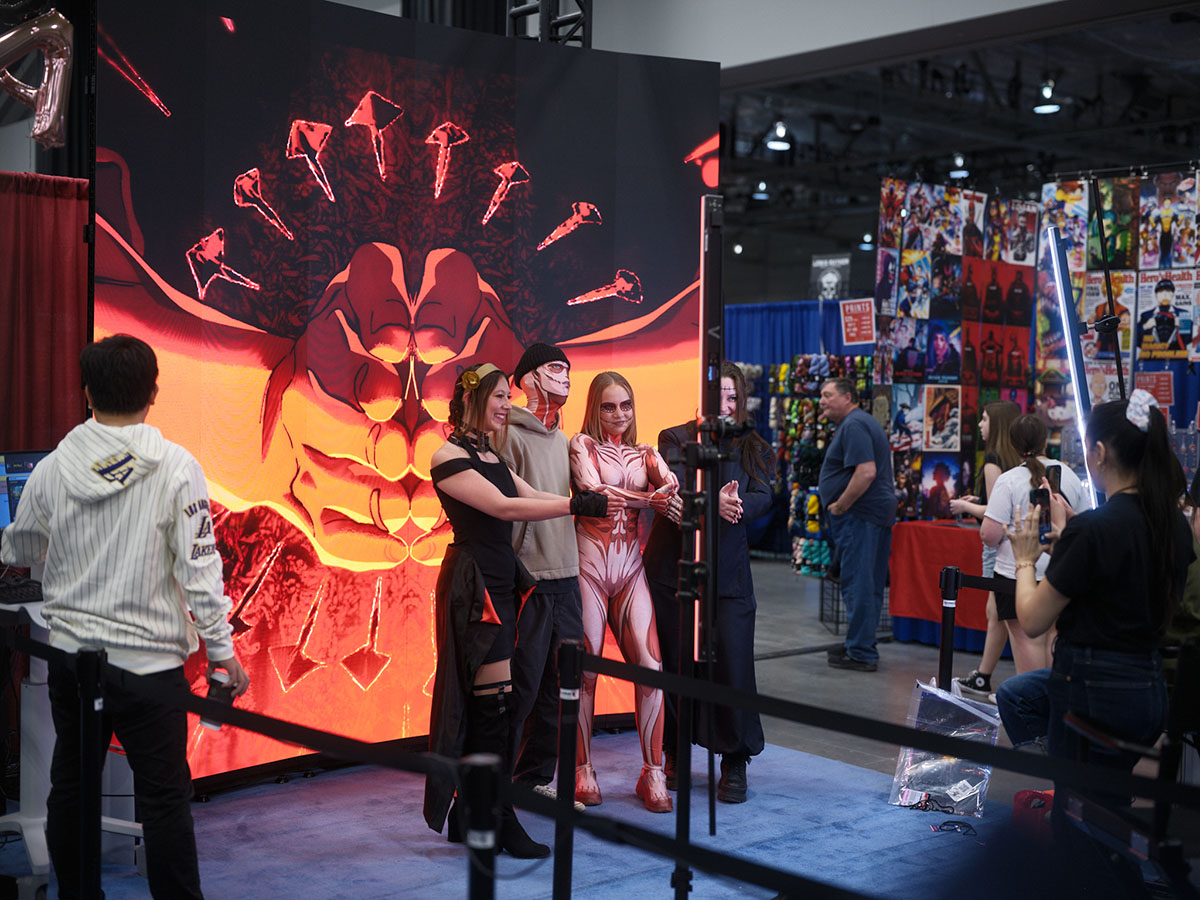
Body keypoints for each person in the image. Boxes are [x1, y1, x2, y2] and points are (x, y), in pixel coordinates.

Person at [0, 334, 251, 900]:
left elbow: (21, 546)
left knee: (72, 790)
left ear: (87, 392)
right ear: (154, 392)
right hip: (151, 669)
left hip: (73, 661)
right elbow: (200, 568)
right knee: (164, 799)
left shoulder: (54, 468)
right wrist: (221, 651)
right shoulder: (178, 467)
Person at [422, 363, 617, 857]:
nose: (507, 406)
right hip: (476, 587)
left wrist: (582, 499)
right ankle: (496, 818)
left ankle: (473, 815)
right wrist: (575, 507)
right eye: (499, 398)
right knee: (491, 708)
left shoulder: (489, 454)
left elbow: (528, 495)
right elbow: (505, 508)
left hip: (503, 583)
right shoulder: (446, 456)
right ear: (473, 398)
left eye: (508, 398)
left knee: (496, 706)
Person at [996, 392, 1193, 785]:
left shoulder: (1096, 529)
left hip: (1092, 689)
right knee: (1018, 695)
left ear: (1100, 453)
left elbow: (1032, 621)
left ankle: (1072, 788)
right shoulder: (1173, 523)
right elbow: (1120, 576)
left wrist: (1024, 560)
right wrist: (1071, 540)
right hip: (1148, 685)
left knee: (1080, 804)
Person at [643, 362, 773, 803]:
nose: (727, 403)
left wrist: (735, 506)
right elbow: (672, 486)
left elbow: (763, 494)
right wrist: (711, 502)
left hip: (728, 574)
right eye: (721, 394)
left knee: (733, 665)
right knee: (676, 662)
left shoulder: (754, 445)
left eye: (734, 396)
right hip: (673, 569)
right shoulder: (673, 438)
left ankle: (734, 759)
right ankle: (675, 752)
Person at [570, 372, 678, 812]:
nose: (619, 414)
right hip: (589, 568)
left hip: (630, 569)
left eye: (626, 405)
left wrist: (666, 496)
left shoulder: (646, 453)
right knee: (585, 671)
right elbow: (594, 492)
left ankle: (654, 773)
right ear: (594, 409)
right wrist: (650, 500)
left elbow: (671, 487)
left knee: (652, 668)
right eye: (609, 406)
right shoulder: (582, 445)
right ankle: (582, 769)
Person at [493, 343, 585, 810]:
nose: (564, 376)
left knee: (559, 688)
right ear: (527, 378)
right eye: (554, 367)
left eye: (567, 369)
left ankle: (532, 780)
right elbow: (505, 504)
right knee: (522, 686)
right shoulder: (506, 434)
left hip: (568, 574)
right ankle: (496, 786)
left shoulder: (564, 439)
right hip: (529, 577)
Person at [980, 414, 1087, 676]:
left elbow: (989, 534)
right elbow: (1084, 522)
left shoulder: (1009, 479)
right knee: (1052, 637)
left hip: (1015, 574)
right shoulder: (1069, 475)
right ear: (1045, 441)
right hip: (1060, 570)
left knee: (1026, 639)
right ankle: (1050, 697)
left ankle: (1034, 699)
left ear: (1013, 444)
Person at [818, 377, 897, 671]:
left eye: (828, 395)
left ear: (847, 397)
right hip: (871, 514)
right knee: (868, 582)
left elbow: (866, 472)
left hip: (860, 515)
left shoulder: (853, 425)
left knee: (858, 583)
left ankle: (861, 651)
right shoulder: (859, 423)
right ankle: (860, 642)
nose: (822, 401)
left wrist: (841, 505)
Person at [949, 401, 1022, 699]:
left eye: (984, 419)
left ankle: (1007, 679)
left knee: (1001, 613)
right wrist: (977, 500)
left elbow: (994, 513)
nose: (979, 424)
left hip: (998, 546)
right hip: (1017, 544)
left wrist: (965, 506)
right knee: (999, 613)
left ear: (998, 424)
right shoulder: (1018, 460)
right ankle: (983, 675)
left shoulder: (993, 460)